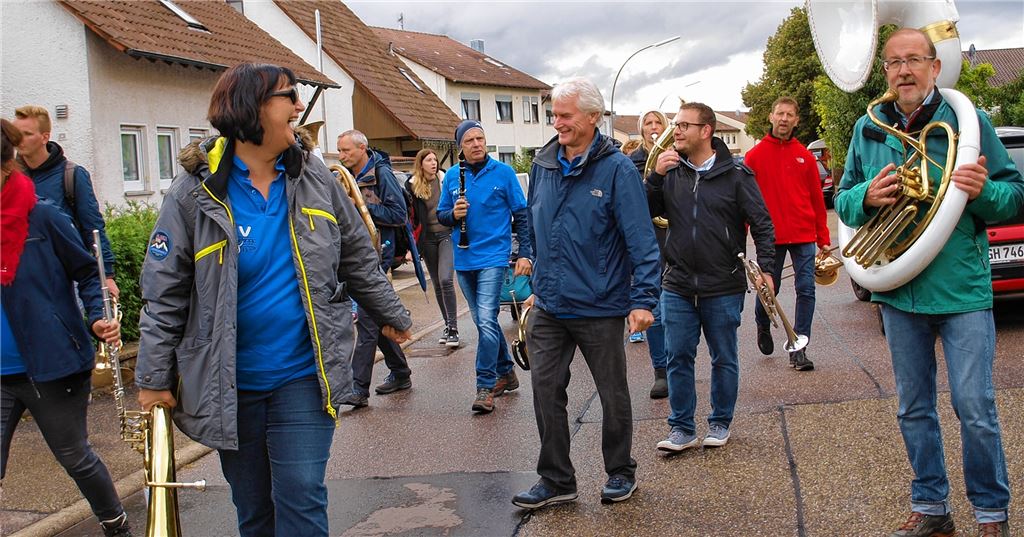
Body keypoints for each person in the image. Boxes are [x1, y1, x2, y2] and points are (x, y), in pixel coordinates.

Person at [135, 63, 412, 537]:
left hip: (303, 374)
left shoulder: (317, 179)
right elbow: (164, 291)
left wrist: (392, 314)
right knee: (254, 510)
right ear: (251, 108)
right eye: (290, 97)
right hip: (229, 385)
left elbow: (358, 258)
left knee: (302, 496)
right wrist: (153, 376)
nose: (300, 107)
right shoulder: (192, 192)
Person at [834, 28, 1022, 537]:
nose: (903, 71)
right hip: (899, 293)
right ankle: (932, 507)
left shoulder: (967, 120)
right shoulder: (866, 128)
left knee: (974, 407)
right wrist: (866, 198)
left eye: (914, 60)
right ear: (886, 73)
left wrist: (982, 193)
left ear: (936, 67)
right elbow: (844, 198)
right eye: (893, 64)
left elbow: (1013, 194)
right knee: (913, 408)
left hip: (960, 290)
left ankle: (990, 514)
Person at [511, 78, 660, 509]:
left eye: (565, 115)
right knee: (544, 390)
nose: (556, 123)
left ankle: (620, 471)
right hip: (551, 305)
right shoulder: (543, 164)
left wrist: (644, 298)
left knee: (612, 391)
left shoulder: (617, 169)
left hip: (600, 304)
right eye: (553, 114)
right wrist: (535, 280)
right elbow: (537, 227)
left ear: (593, 118)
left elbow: (641, 239)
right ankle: (557, 479)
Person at [1, 118, 130, 536]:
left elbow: (88, 272)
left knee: (74, 455)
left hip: (52, 363)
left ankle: (116, 524)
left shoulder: (43, 215)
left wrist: (97, 315)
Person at [647, 101, 776, 454]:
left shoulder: (737, 174)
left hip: (723, 283)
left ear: (706, 131)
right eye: (676, 124)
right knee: (678, 356)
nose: (676, 131)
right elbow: (645, 212)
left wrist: (766, 269)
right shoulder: (670, 171)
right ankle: (681, 428)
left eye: (684, 125)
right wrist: (655, 177)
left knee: (723, 356)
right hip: (677, 282)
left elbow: (762, 224)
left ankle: (720, 422)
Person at [437, 120, 533, 413]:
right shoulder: (453, 176)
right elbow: (441, 216)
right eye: (470, 140)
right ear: (460, 147)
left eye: (481, 138)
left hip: (494, 256)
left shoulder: (503, 173)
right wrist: (453, 214)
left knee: (487, 321)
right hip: (464, 258)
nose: (477, 144)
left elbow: (522, 216)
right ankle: (506, 372)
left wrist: (525, 254)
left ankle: (484, 385)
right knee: (483, 322)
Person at [744, 96, 830, 371]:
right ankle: (762, 321)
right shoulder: (754, 156)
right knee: (771, 288)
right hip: (770, 236)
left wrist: (823, 237)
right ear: (771, 117)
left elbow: (817, 199)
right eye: (779, 113)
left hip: (803, 234)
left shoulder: (804, 155)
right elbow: (745, 198)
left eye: (789, 115)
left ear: (796, 120)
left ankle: (799, 347)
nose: (784, 118)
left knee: (806, 290)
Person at [336, 129, 414, 406]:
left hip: (378, 254)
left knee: (368, 322)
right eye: (340, 151)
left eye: (346, 150)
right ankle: (401, 371)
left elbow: (398, 214)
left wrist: (359, 208)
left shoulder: (382, 175)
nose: (342, 155)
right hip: (357, 256)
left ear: (362, 149)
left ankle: (358, 389)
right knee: (378, 319)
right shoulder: (347, 177)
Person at [12, 105, 118, 298]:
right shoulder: (9, 178)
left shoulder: (71, 175)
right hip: (21, 279)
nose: (19, 140)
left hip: (65, 279)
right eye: (16, 133)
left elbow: (93, 227)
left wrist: (107, 275)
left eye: (27, 134)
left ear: (45, 137)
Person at [629, 109, 671, 398]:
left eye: (658, 122)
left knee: (677, 309)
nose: (653, 127)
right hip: (648, 240)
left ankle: (680, 364)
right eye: (648, 123)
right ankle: (661, 370)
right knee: (654, 307)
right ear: (641, 129)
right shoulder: (632, 163)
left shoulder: (677, 155)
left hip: (677, 236)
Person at [407, 148, 460, 348]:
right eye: (429, 160)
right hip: (427, 239)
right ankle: (447, 325)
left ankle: (454, 328)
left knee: (446, 279)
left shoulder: (445, 180)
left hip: (447, 234)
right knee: (437, 283)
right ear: (421, 164)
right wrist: (410, 246)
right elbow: (411, 217)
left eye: (435, 160)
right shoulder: (412, 186)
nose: (433, 163)